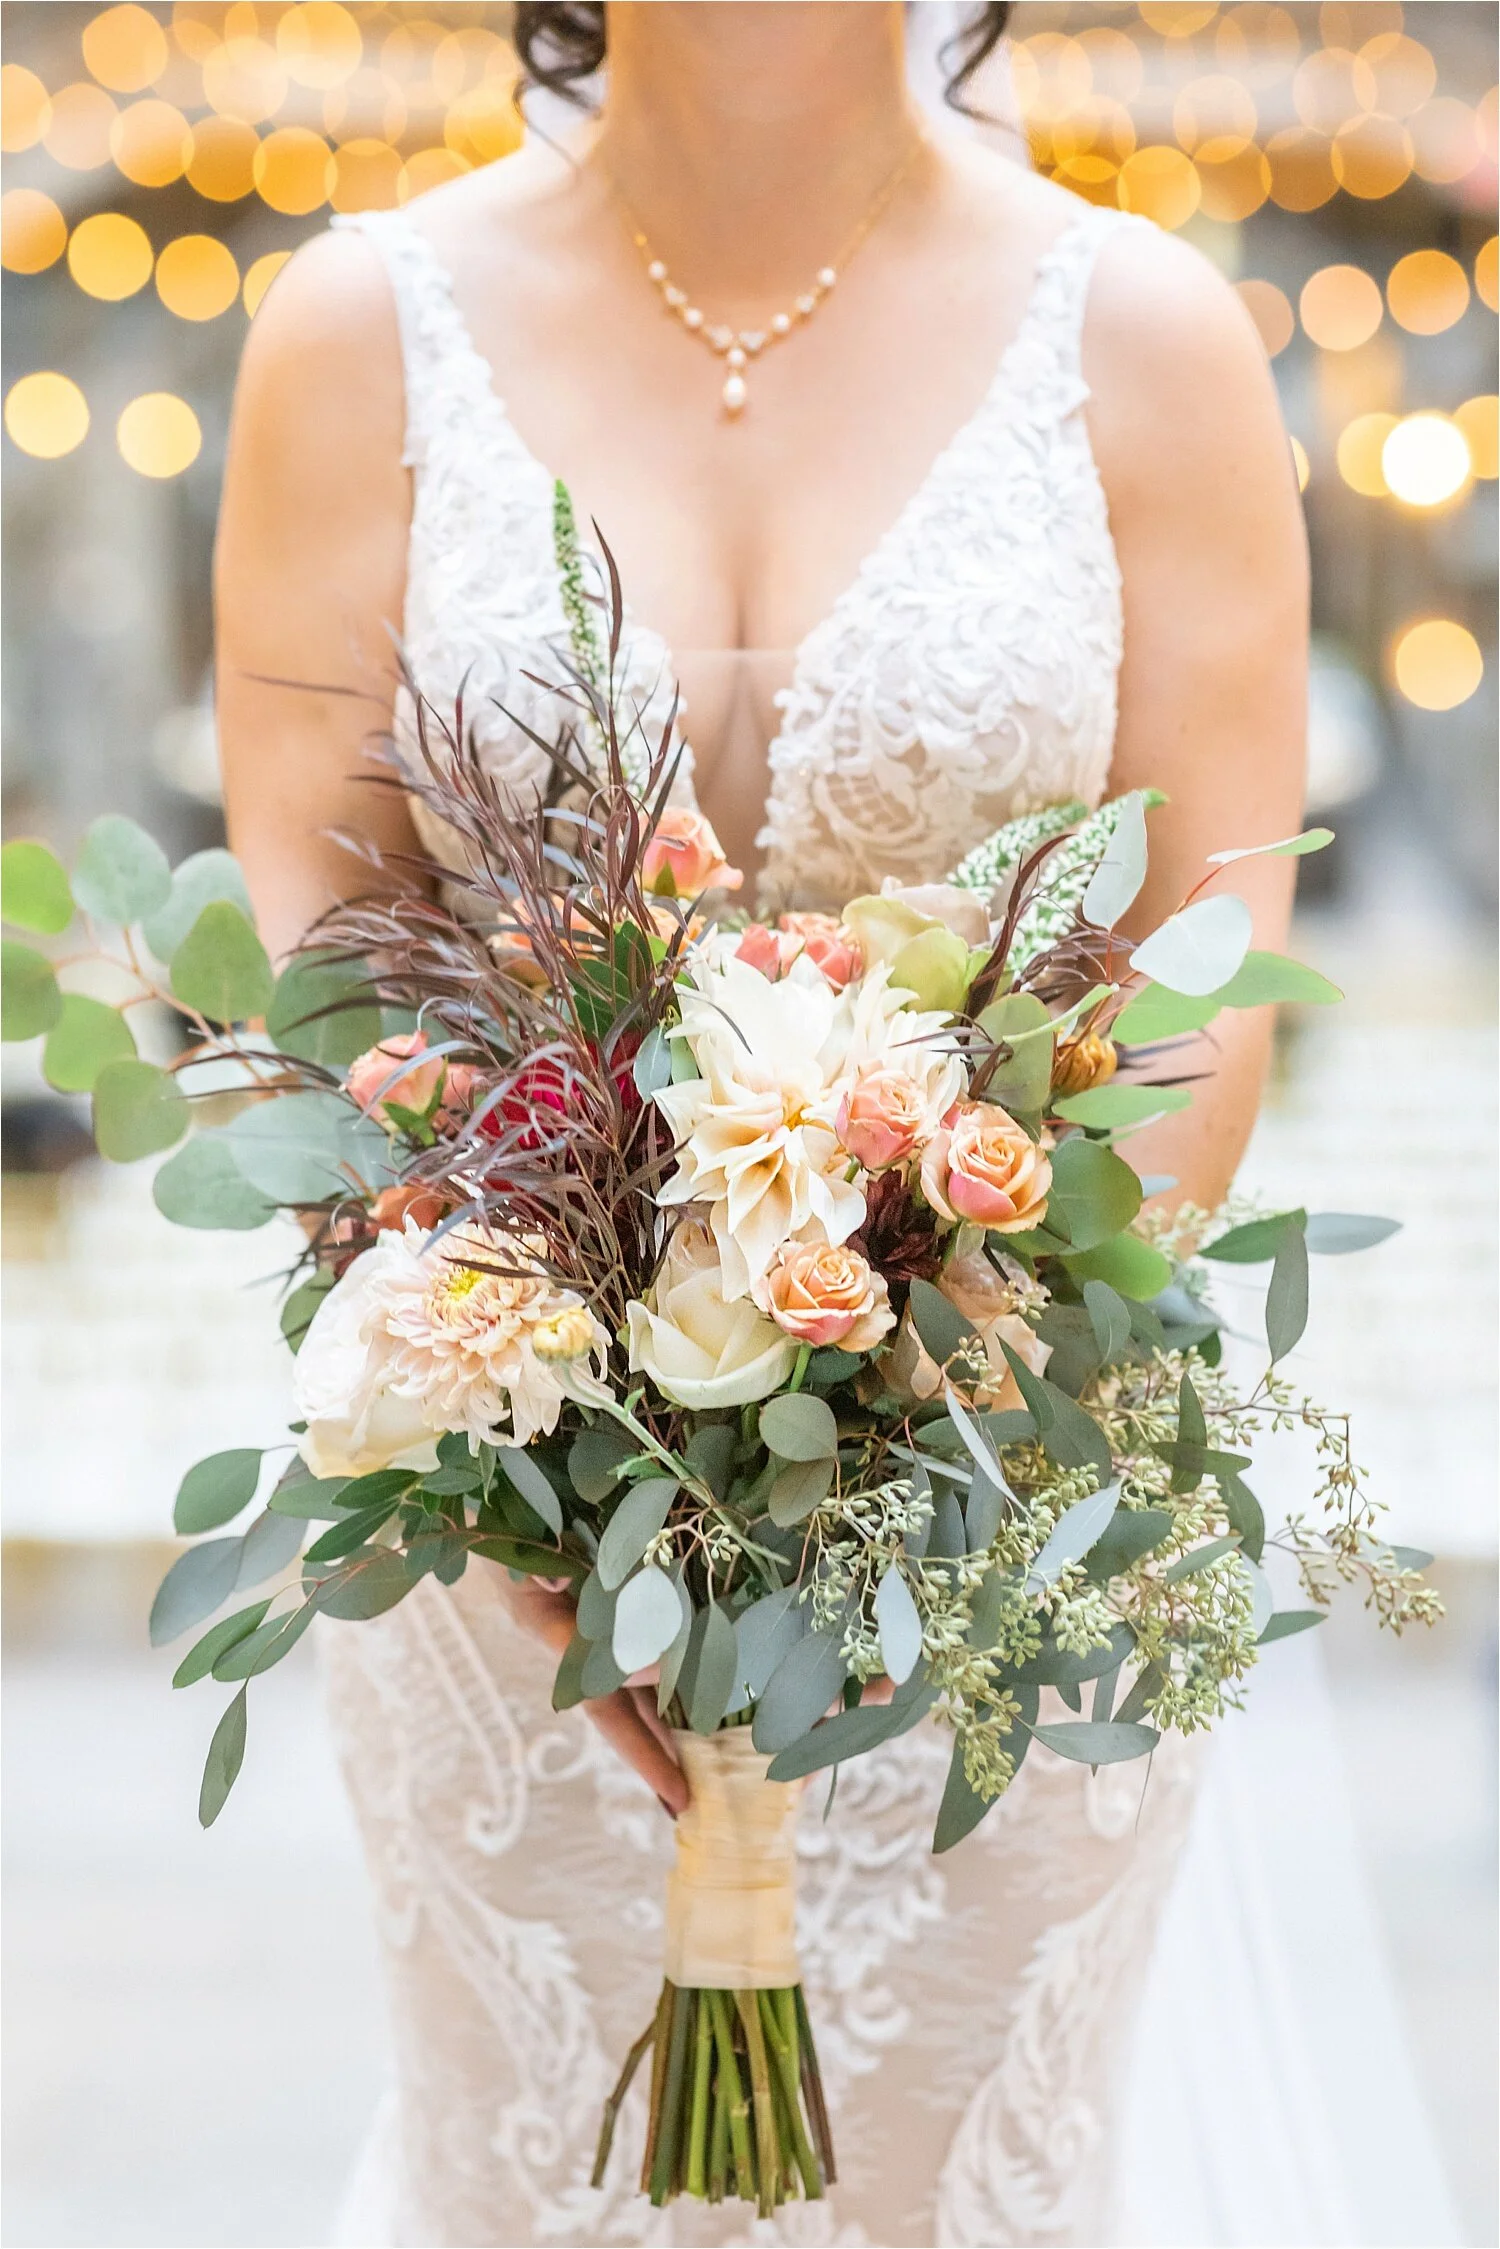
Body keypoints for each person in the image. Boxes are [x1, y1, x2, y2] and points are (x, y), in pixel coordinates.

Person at [214, 7, 1307, 2241]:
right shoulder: (355, 333)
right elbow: (325, 940)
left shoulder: (1151, 343)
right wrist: (520, 1464)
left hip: (1015, 1522)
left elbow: (1202, 975)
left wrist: (935, 1429)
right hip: (497, 1526)